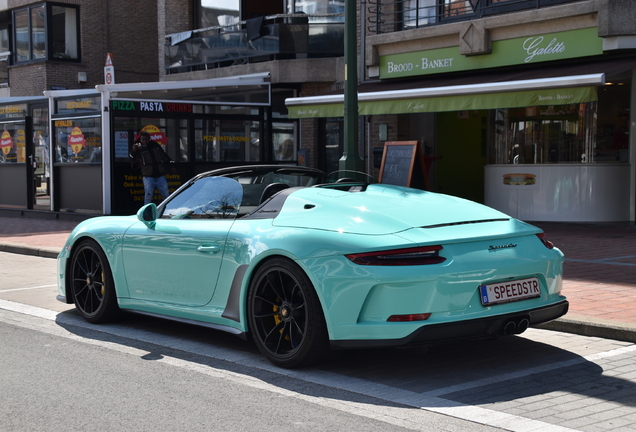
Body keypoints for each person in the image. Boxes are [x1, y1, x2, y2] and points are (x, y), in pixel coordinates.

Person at [130, 131, 175, 204]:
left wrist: (171, 166)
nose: (145, 141)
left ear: (149, 139)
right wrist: (133, 151)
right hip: (148, 177)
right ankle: (146, 213)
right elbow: (133, 161)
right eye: (143, 139)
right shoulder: (138, 148)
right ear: (140, 140)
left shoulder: (155, 145)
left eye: (146, 139)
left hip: (160, 175)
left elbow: (163, 156)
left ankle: (168, 211)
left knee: (166, 195)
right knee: (148, 196)